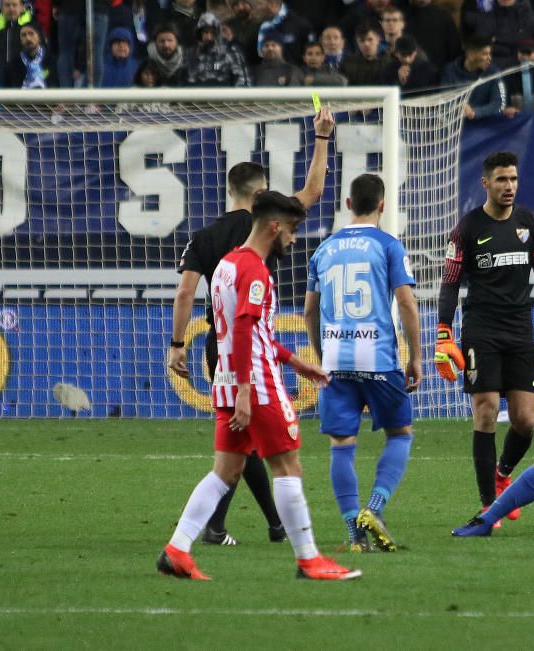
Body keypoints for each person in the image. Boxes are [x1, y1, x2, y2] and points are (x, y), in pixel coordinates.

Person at [157, 191, 360, 581]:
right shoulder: (254, 270)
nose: (294, 238)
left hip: (226, 379)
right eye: (293, 230)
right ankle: (308, 559)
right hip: (256, 383)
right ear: (273, 225)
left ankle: (177, 549)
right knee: (288, 464)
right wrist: (249, 391)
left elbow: (246, 330)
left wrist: (297, 362)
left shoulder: (227, 265)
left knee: (225, 472)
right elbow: (248, 329)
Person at [169, 107, 336, 547]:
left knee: (238, 450)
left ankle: (215, 532)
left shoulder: (207, 239)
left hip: (217, 346)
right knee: (271, 449)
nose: (292, 233)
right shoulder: (264, 235)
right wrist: (320, 137)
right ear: (263, 196)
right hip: (251, 353)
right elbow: (315, 189)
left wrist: (176, 344)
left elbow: (185, 292)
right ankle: (299, 546)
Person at [435, 151, 534, 525]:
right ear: (486, 183)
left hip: (520, 329)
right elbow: (450, 284)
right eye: (502, 180)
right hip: (481, 329)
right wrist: (444, 333)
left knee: (525, 421)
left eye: (514, 179)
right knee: (486, 409)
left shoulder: (530, 225)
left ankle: (503, 470)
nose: (509, 186)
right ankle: (488, 504)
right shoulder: (467, 229)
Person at [303, 174, 422, 553]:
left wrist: (322, 358)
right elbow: (405, 303)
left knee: (342, 444)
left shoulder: (323, 250)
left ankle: (354, 534)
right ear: (382, 206)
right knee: (400, 433)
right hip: (378, 357)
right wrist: (416, 356)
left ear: (349, 204)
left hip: (336, 359)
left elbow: (309, 312)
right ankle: (374, 508)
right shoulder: (388, 245)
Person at [440, 35, 506, 121]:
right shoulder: (450, 71)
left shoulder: (493, 73)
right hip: (456, 125)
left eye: (490, 53)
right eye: (485, 54)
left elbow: (498, 103)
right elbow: (445, 100)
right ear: (471, 55)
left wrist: (474, 113)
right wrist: (459, 107)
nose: (489, 58)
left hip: (484, 125)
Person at [460, 0, 534, 71]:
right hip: (487, 68)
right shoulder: (475, 6)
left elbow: (533, 42)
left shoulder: (526, 8)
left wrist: (532, 52)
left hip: (519, 68)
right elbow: (475, 44)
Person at [180, 12, 251, 87]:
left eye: (212, 33)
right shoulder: (190, 54)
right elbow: (182, 81)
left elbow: (243, 80)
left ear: (217, 34)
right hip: (196, 96)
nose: (209, 37)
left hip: (224, 96)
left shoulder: (231, 52)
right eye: (205, 32)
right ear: (200, 34)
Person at [404, 0, 462, 69]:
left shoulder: (444, 17)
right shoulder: (400, 17)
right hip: (409, 73)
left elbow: (455, 52)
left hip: (440, 73)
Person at [0, 0, 32, 78]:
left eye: (14, 5)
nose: (11, 9)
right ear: (2, 8)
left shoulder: (32, 30)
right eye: (7, 5)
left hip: (25, 81)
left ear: (22, 7)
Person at [3, 21, 57, 88]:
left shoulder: (53, 62)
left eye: (31, 34)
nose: (28, 38)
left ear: (39, 37)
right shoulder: (13, 65)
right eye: (23, 35)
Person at [146, 22, 184, 86]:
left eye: (170, 40)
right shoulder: (146, 62)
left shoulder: (188, 61)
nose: (166, 45)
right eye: (161, 41)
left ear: (177, 42)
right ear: (155, 43)